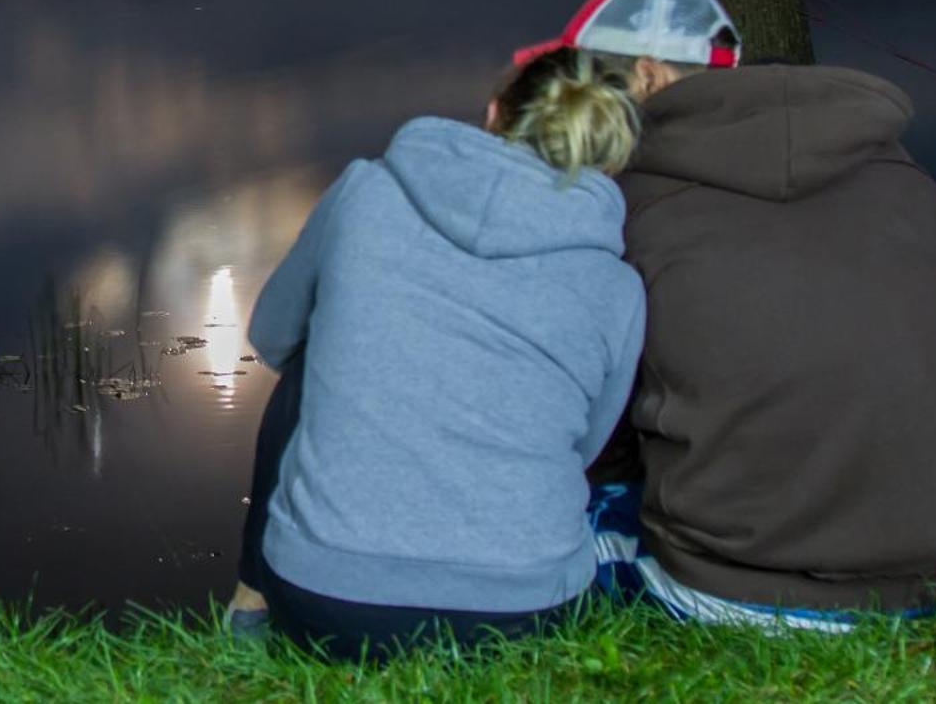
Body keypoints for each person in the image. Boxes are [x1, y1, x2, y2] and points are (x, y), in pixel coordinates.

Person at [531, 0, 936, 630]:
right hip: (930, 576)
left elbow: (599, 426)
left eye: (591, 80)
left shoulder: (625, 206)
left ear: (647, 73)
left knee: (557, 505)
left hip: (730, 587)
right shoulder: (902, 175)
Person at [228, 46, 648, 658]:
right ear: (607, 159)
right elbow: (586, 445)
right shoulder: (617, 285)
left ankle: (252, 600)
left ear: (494, 112)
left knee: (306, 358)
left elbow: (271, 337)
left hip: (329, 602)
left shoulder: (364, 194)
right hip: (526, 610)